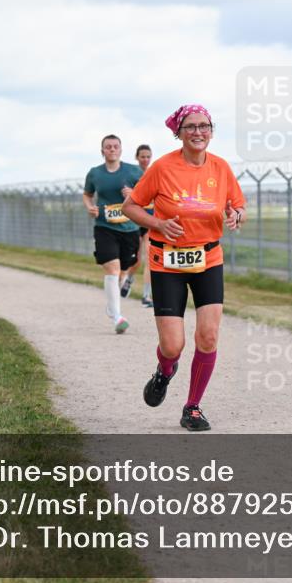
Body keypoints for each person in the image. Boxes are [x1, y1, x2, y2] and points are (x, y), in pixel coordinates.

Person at [122, 104, 246, 431]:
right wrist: (158, 224)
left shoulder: (220, 168)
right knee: (173, 345)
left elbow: (237, 204)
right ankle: (164, 371)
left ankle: (192, 407)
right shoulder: (162, 168)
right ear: (178, 132)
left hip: (208, 258)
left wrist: (236, 215)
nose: (198, 132)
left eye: (204, 126)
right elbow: (130, 206)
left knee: (208, 335)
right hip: (168, 261)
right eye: (190, 126)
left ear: (212, 130)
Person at [83, 134, 144, 334]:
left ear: (120, 150)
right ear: (102, 151)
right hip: (104, 227)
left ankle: (112, 304)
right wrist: (90, 207)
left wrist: (133, 195)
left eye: (115, 146)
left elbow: (148, 194)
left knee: (125, 269)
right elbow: (87, 194)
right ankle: (117, 317)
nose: (111, 149)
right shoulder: (95, 174)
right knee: (113, 269)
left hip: (130, 228)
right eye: (107, 147)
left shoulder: (134, 171)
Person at [126, 144, 156, 308]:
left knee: (150, 259)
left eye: (148, 156)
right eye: (142, 156)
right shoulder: (131, 175)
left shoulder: (154, 173)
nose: (145, 159)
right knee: (137, 260)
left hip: (150, 221)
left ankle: (146, 295)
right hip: (135, 222)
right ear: (137, 157)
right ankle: (129, 279)